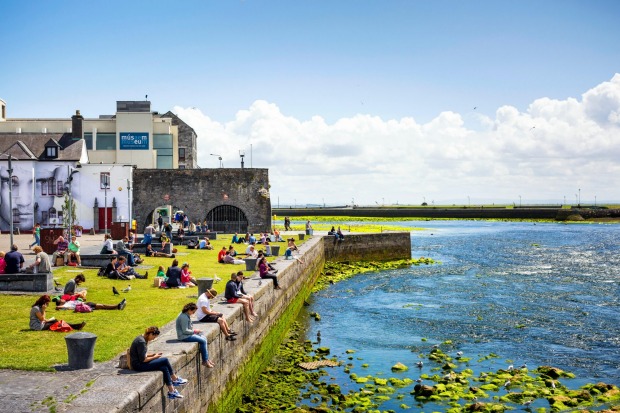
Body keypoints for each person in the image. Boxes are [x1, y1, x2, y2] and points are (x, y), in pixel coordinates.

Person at [130, 326, 187, 400]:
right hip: (138, 365)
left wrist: (153, 355)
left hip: (140, 363)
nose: (154, 339)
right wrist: (155, 357)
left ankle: (171, 391)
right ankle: (175, 379)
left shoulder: (141, 338)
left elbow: (142, 355)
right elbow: (143, 359)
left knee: (164, 367)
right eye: (154, 337)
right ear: (150, 334)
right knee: (165, 360)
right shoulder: (141, 342)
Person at [176, 303, 214, 368]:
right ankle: (205, 360)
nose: (193, 313)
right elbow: (185, 331)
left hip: (187, 334)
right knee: (203, 341)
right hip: (184, 336)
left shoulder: (185, 314)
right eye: (193, 312)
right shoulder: (184, 317)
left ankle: (207, 359)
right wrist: (194, 331)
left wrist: (195, 331)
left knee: (204, 337)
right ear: (189, 310)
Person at [54, 296, 127, 311]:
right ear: (60, 302)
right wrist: (60, 307)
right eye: (61, 300)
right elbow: (57, 307)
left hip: (85, 303)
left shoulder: (67, 303)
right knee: (102, 306)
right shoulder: (65, 305)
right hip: (85, 305)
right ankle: (117, 306)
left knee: (102, 306)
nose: (63, 299)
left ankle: (117, 306)